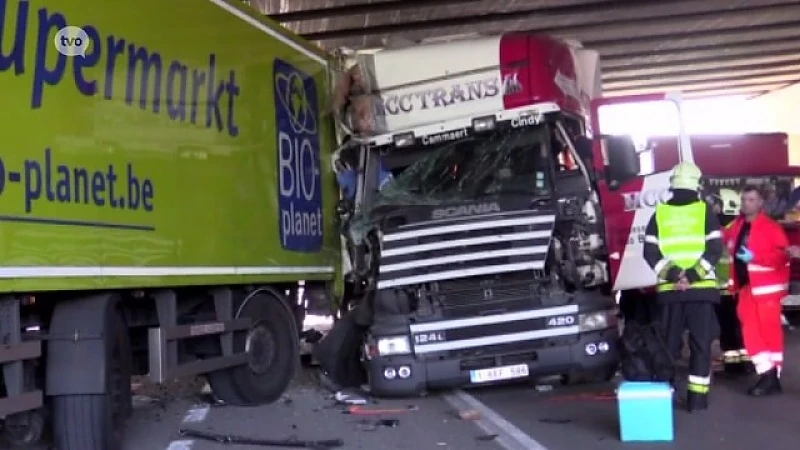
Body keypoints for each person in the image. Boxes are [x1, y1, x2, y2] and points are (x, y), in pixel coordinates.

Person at [643, 161, 723, 412]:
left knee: (668, 345)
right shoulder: (705, 212)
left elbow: (650, 252)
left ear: (673, 185)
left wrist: (675, 275)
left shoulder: (660, 214)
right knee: (701, 345)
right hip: (700, 291)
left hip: (670, 293)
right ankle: (697, 401)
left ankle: (664, 396)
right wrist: (692, 276)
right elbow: (714, 250)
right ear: (696, 185)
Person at [722, 184, 790, 396]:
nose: (746, 203)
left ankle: (772, 376)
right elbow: (723, 241)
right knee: (750, 332)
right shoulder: (737, 225)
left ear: (761, 202)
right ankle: (767, 372)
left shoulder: (771, 228)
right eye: (744, 200)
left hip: (767, 290)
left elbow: (782, 257)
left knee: (769, 333)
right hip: (746, 288)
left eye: (751, 200)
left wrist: (755, 258)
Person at [714, 189, 750, 375]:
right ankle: (746, 363)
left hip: (725, 289)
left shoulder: (719, 230)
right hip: (738, 288)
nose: (713, 207)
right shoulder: (741, 227)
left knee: (728, 329)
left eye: (716, 203)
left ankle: (733, 366)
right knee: (740, 327)